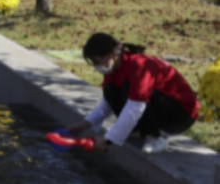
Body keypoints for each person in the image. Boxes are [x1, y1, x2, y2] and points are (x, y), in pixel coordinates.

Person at [60, 32, 198, 156]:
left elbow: (135, 108)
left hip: (181, 115)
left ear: (109, 55)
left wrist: (107, 141)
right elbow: (106, 104)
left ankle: (157, 137)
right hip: (162, 108)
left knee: (129, 90)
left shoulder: (140, 66)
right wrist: (83, 125)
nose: (96, 66)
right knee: (111, 90)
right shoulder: (113, 68)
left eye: (96, 61)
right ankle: (139, 131)